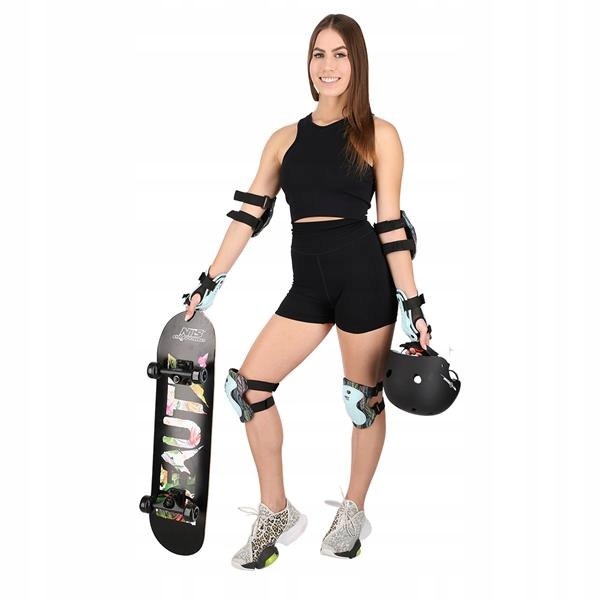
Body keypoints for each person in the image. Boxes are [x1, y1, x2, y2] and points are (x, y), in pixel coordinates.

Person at [183, 13, 431, 570]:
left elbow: (391, 225)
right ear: (309, 63)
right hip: (309, 284)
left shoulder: (379, 134)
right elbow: (248, 216)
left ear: (357, 62)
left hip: (363, 278)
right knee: (248, 388)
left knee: (361, 401)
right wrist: (208, 284)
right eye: (319, 54)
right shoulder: (284, 139)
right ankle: (276, 511)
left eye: (340, 54)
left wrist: (413, 304)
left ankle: (353, 510)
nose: (328, 65)